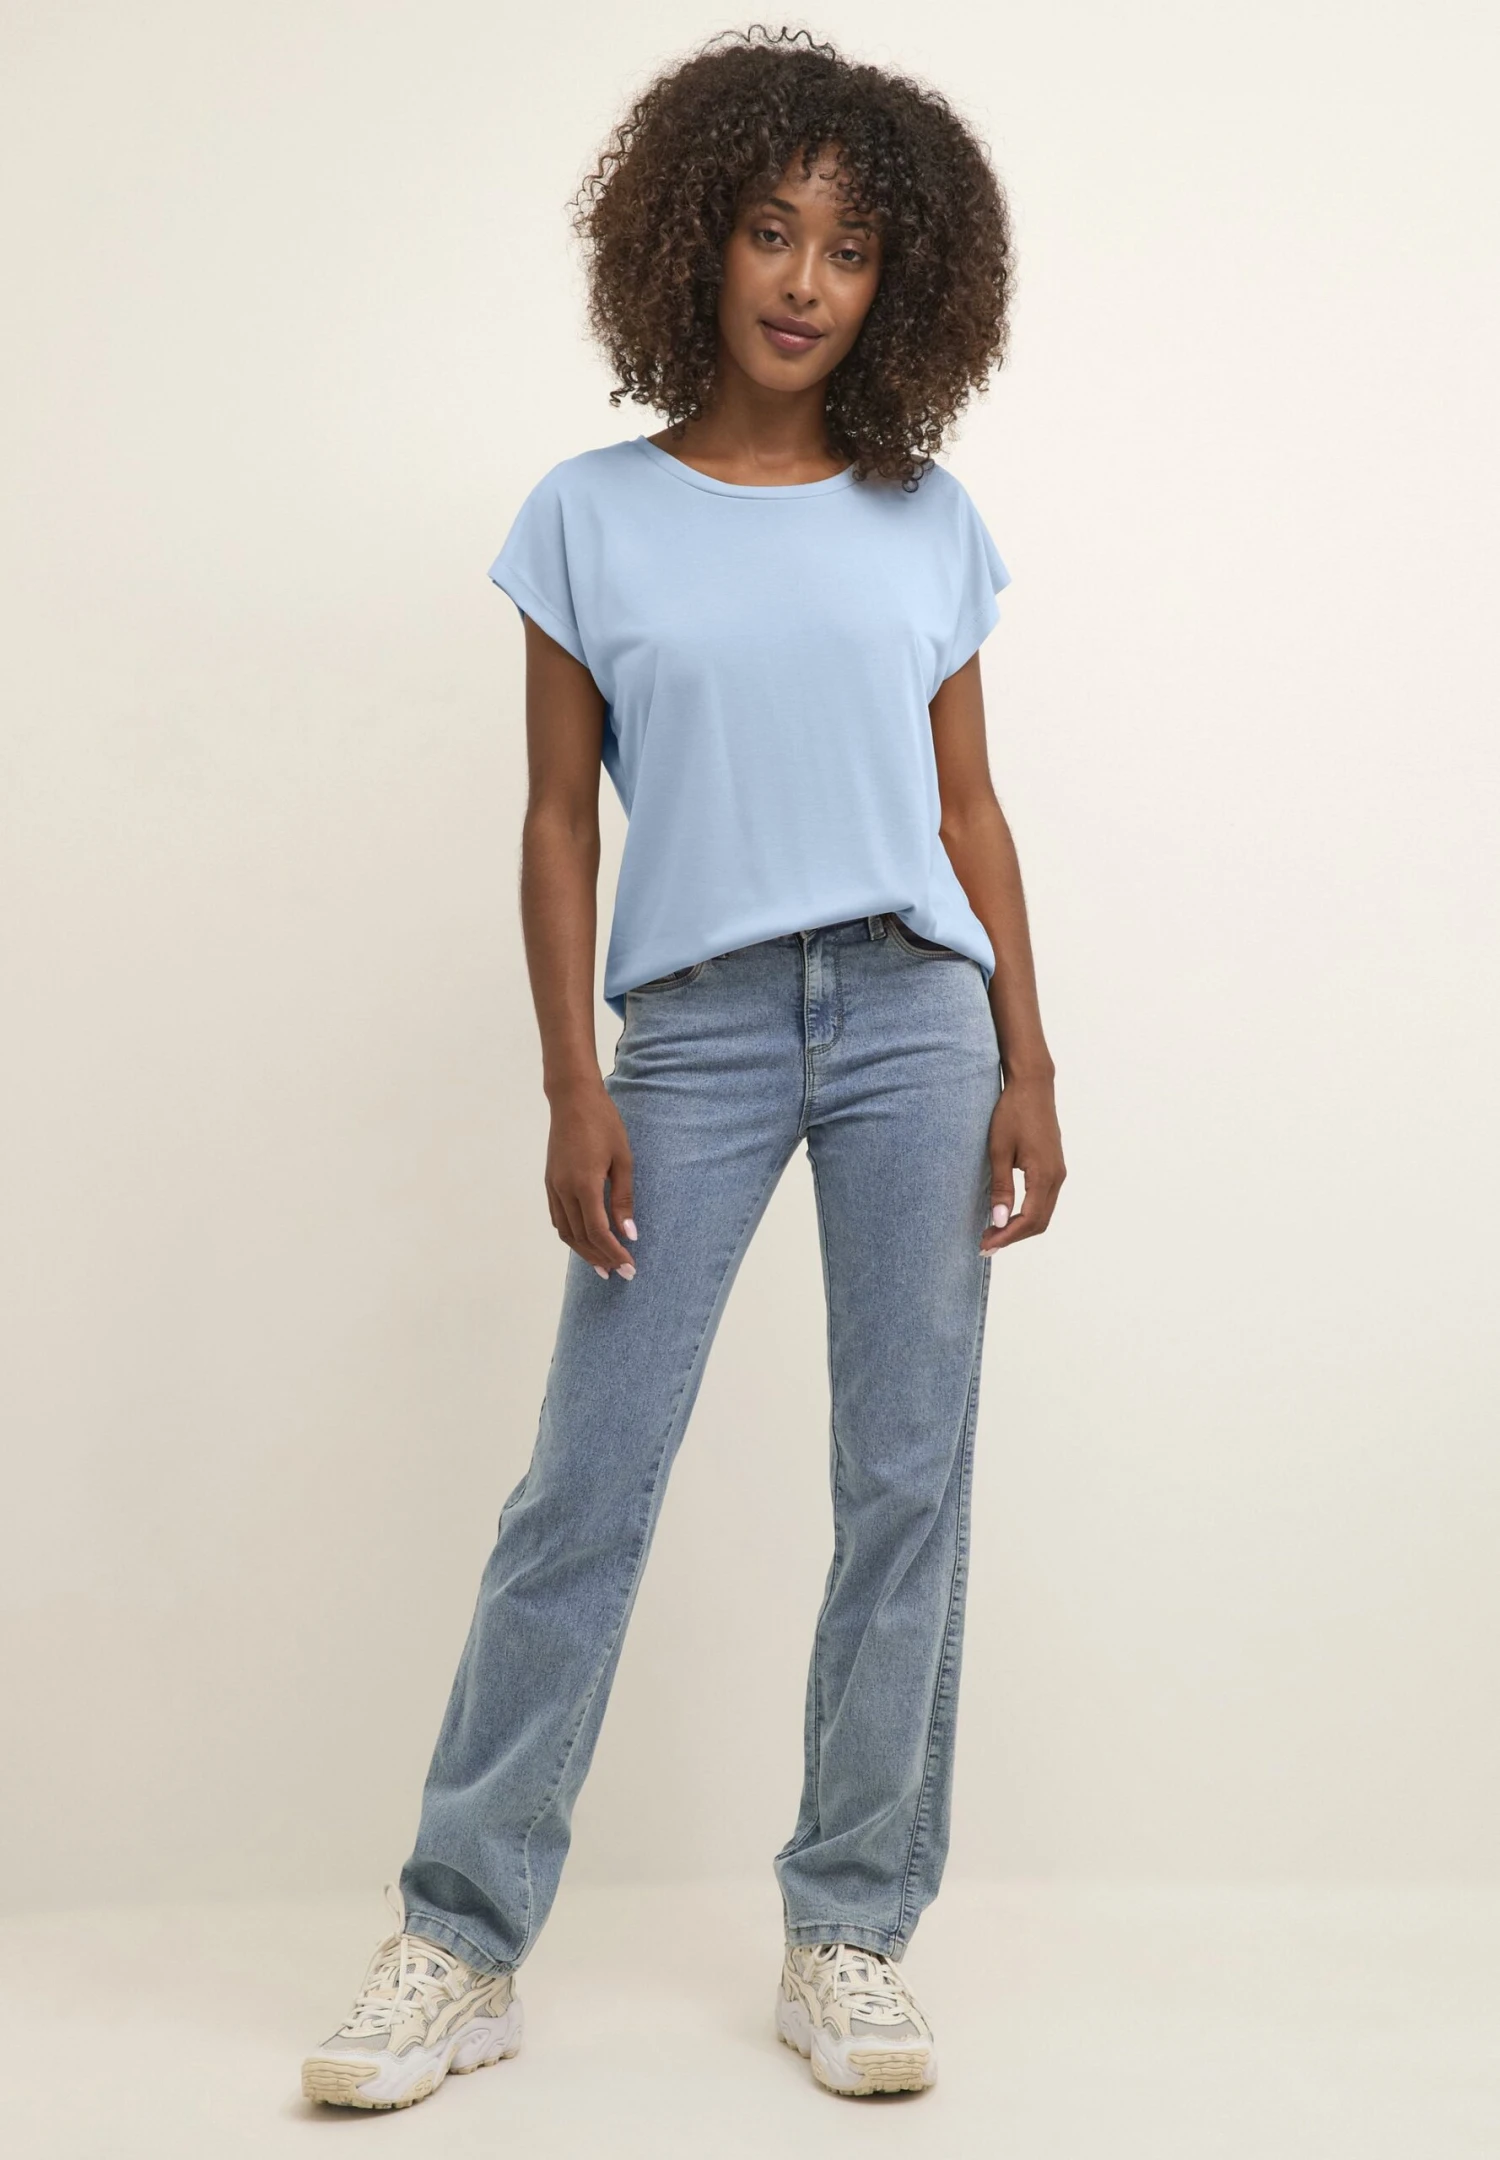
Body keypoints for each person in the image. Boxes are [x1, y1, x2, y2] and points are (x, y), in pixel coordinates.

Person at [301, 24, 1065, 2113]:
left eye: (852, 248)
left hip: (917, 1014)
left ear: (904, 285)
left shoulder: (926, 517)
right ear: (693, 241)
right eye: (770, 230)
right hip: (698, 1032)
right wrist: (577, 1080)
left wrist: (1029, 1053)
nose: (806, 280)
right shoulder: (590, 517)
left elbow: (970, 812)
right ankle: (460, 1938)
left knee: (905, 1477)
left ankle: (851, 1930)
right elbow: (561, 823)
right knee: (587, 1480)